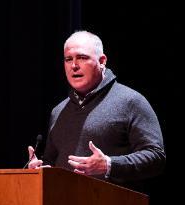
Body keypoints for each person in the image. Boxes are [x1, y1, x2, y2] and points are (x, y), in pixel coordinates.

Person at [27, 30, 165, 191]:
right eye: (68, 59)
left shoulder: (130, 101)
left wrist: (109, 165)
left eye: (82, 58)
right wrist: (39, 170)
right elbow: (52, 162)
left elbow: (156, 157)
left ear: (102, 61)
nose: (74, 65)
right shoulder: (58, 111)